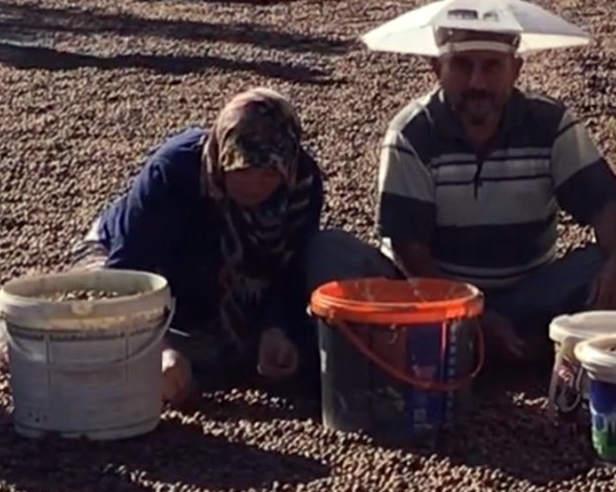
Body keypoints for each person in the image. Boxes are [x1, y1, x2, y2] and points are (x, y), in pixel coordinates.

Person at [75, 88, 397, 406]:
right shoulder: (174, 171)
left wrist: (277, 327)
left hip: (228, 275)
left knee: (272, 349)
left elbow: (290, 266)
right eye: (242, 169)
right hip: (133, 257)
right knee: (95, 328)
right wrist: (158, 347)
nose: (255, 183)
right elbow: (128, 269)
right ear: (222, 157)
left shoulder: (302, 186)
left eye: (269, 173)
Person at [376, 24, 616, 363]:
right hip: (439, 296)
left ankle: (510, 351)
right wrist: (469, 312)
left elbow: (606, 206)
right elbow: (409, 250)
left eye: (492, 66)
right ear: (436, 67)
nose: (477, 82)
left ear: (516, 70)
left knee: (611, 264)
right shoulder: (412, 134)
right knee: (356, 270)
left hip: (529, 292)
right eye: (462, 65)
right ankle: (523, 350)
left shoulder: (550, 123)